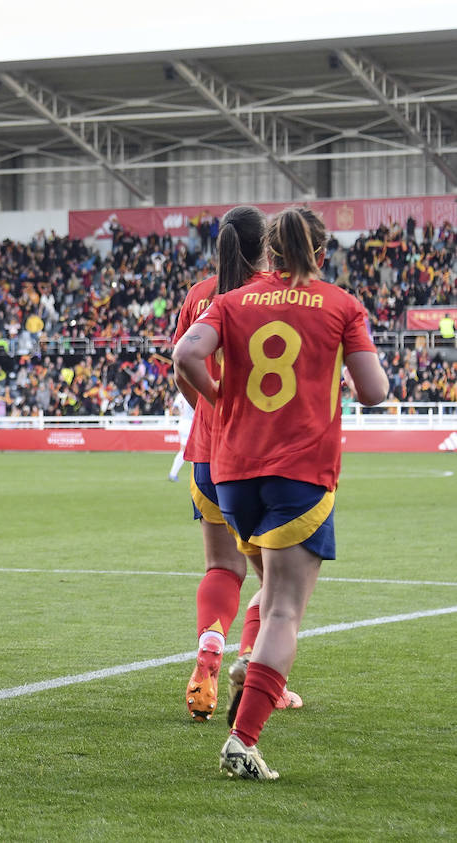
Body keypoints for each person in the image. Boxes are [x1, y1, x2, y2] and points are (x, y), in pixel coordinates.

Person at [173, 207, 388, 779]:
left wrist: (223, 399)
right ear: (319, 252)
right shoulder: (341, 304)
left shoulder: (231, 299)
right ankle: (243, 738)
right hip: (299, 470)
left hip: (232, 471)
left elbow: (185, 356)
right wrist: (341, 372)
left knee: (255, 582)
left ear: (267, 252)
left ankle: (245, 660)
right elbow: (375, 390)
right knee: (286, 609)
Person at [167, 391, 193, 482]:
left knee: (185, 450)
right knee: (191, 450)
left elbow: (174, 409)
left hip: (182, 422)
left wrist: (182, 413)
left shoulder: (180, 395)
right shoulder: (192, 393)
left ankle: (173, 474)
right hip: (190, 423)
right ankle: (196, 474)